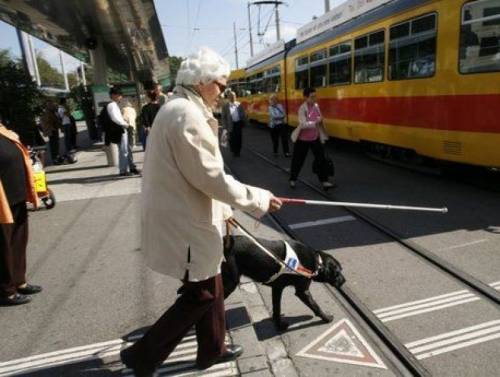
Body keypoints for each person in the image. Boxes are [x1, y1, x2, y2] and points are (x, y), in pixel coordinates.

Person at [120, 47, 282, 376]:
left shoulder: (178, 108)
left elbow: (199, 175)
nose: (223, 92)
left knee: (215, 284)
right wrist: (258, 198)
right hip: (185, 223)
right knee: (203, 292)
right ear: (203, 81)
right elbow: (210, 177)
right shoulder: (186, 115)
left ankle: (212, 349)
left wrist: (223, 212)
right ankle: (142, 355)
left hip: (183, 216)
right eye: (221, 85)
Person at [0, 122, 42, 306]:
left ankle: (19, 281)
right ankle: (5, 291)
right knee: (2, 246)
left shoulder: (3, 130)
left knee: (18, 241)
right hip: (2, 201)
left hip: (15, 195)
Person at [289, 87, 334, 189]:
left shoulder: (316, 106)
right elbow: (303, 124)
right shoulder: (302, 108)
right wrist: (316, 122)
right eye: (312, 97)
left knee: (321, 159)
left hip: (315, 138)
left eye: (315, 96)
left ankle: (324, 181)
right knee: (298, 160)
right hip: (302, 140)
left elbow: (319, 118)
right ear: (305, 97)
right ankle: (292, 179)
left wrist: (320, 121)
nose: (314, 99)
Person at [106, 87, 140, 176]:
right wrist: (125, 124)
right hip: (120, 129)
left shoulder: (114, 104)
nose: (120, 97)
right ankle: (123, 170)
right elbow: (115, 118)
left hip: (121, 128)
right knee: (123, 150)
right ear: (113, 95)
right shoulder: (112, 105)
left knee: (126, 149)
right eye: (119, 95)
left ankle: (131, 167)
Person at [221, 90, 247, 157]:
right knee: (232, 138)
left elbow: (243, 114)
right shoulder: (225, 106)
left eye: (234, 96)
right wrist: (224, 126)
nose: (232, 97)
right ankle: (233, 150)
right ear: (228, 97)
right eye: (231, 96)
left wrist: (244, 121)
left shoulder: (239, 104)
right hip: (230, 124)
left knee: (239, 138)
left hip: (238, 123)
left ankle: (238, 151)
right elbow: (223, 117)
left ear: (235, 97)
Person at [40, 100, 64, 165]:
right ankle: (55, 159)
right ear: (48, 106)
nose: (53, 106)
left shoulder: (51, 112)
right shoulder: (48, 112)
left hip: (53, 130)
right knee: (54, 145)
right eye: (51, 105)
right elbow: (52, 120)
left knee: (55, 144)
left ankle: (56, 157)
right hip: (52, 130)